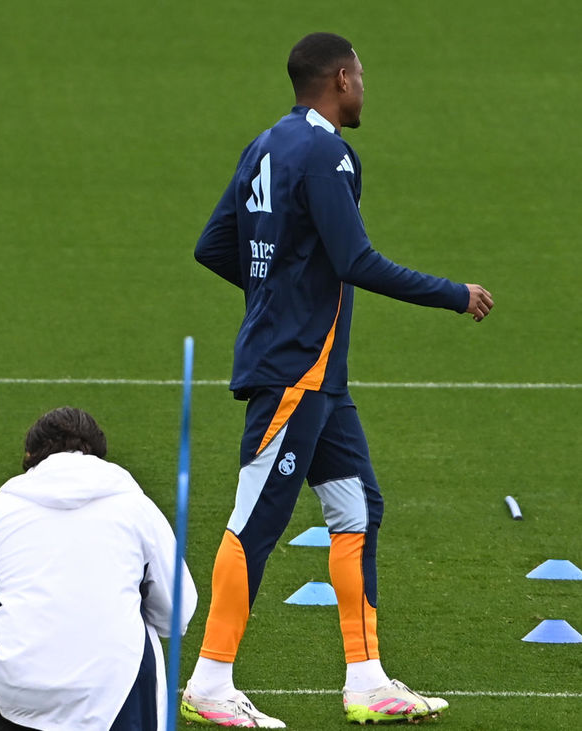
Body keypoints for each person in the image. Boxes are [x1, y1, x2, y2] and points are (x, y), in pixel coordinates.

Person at [182, 32, 494, 727]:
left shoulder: (265, 145)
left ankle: (366, 678)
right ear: (343, 79)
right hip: (297, 369)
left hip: (319, 377)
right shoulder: (329, 153)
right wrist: (453, 293)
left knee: (356, 509)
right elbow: (354, 259)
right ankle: (209, 680)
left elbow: (215, 245)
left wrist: (277, 286)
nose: (364, 90)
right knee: (254, 519)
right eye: (362, 79)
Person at [0, 407, 198, 730]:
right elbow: (177, 615)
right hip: (115, 696)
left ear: (31, 457)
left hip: (19, 690)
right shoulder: (136, 508)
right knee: (141, 629)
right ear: (97, 454)